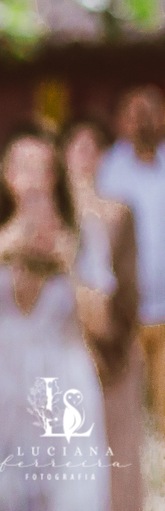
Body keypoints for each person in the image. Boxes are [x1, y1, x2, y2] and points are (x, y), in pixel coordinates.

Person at [0, 123, 115, 511]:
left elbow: (101, 324)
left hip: (59, 385)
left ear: (56, 176)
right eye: (22, 167)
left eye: (42, 168)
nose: (32, 179)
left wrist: (70, 265)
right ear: (5, 174)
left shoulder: (84, 233)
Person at [62, 118, 142, 511]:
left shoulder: (119, 212)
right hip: (64, 345)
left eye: (93, 147)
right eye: (76, 146)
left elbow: (127, 284)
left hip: (111, 344)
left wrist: (112, 342)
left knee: (118, 450)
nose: (84, 156)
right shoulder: (55, 213)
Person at [97, 84, 165, 437]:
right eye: (135, 113)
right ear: (121, 121)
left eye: (151, 111)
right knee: (130, 417)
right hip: (128, 313)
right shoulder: (111, 169)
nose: (143, 121)